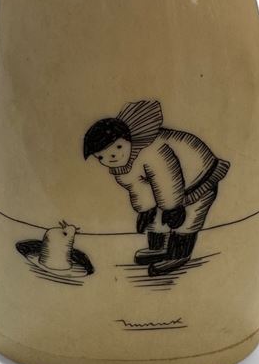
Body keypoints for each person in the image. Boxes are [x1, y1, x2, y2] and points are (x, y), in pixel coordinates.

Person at [83, 100, 230, 276]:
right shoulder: (122, 166)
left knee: (188, 219)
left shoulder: (152, 151)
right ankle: (158, 248)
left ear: (128, 140)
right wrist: (144, 209)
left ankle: (179, 254)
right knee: (155, 217)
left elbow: (167, 177)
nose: (112, 157)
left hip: (199, 179)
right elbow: (138, 187)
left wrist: (173, 208)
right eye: (101, 157)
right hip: (170, 189)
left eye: (118, 147)